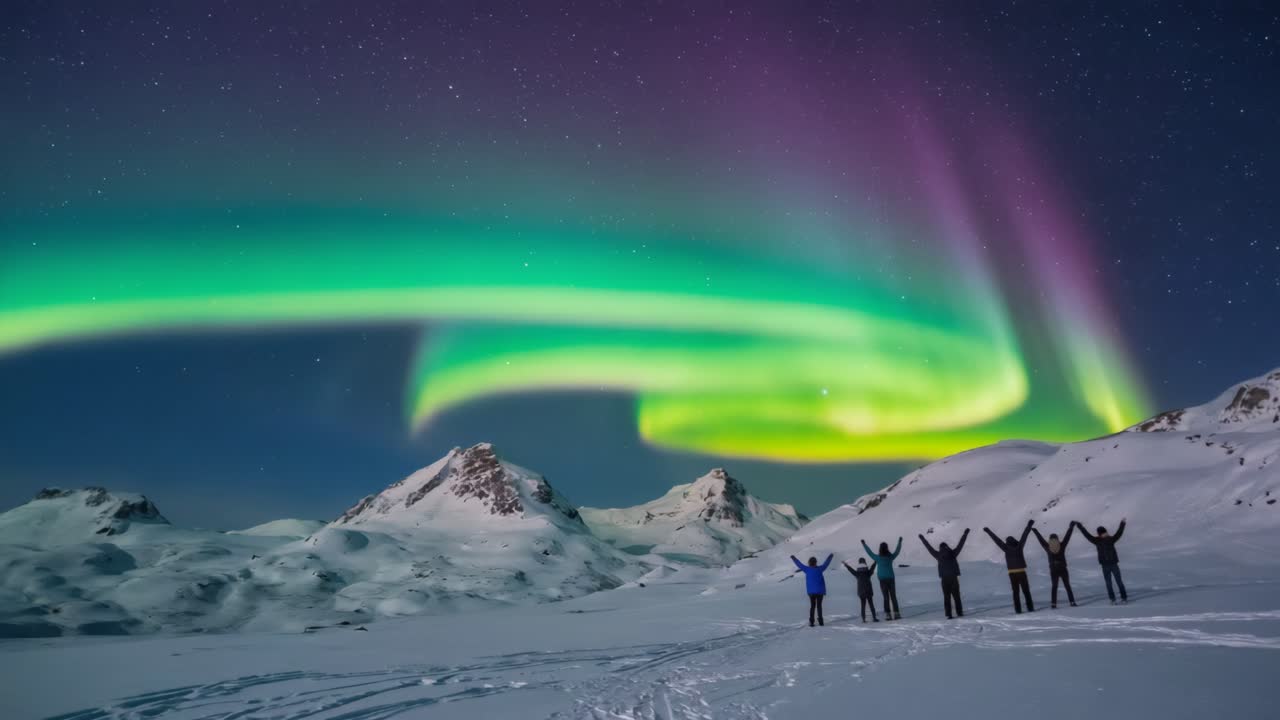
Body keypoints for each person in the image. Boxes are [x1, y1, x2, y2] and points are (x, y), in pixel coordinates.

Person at [983, 520, 1036, 613]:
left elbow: (997, 540)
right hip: (1021, 572)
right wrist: (1029, 525)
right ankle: (1030, 608)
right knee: (1026, 591)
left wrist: (988, 531)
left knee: (1016, 593)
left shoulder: (1006, 548)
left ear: (1007, 542)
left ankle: (1018, 610)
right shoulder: (1019, 546)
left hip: (1012, 573)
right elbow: (1024, 535)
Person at [1073, 518, 1129, 604]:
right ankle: (1115, 599)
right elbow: (1087, 535)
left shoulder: (1107, 539)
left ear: (1099, 533)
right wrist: (1080, 527)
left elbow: (1119, 533)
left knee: (1116, 582)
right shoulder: (1102, 540)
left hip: (1111, 564)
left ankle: (1121, 598)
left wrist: (1122, 524)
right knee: (1111, 583)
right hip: (1107, 565)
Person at [918, 528, 970, 619]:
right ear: (947, 546)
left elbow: (928, 547)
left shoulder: (938, 555)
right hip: (953, 577)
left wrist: (922, 539)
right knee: (956, 596)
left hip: (944, 579)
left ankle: (948, 614)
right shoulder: (953, 553)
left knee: (947, 597)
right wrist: (965, 534)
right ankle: (959, 612)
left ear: (940, 548)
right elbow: (961, 544)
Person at [1031, 524, 1077, 608]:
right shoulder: (1061, 545)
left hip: (1053, 569)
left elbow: (1040, 540)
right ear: (1057, 538)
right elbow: (1067, 537)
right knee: (1067, 586)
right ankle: (1072, 602)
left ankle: (1053, 603)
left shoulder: (1047, 547)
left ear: (1049, 539)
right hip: (1063, 568)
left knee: (1054, 587)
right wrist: (1071, 527)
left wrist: (1035, 531)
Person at [861, 537, 903, 620]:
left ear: (880, 549)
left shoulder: (878, 558)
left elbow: (869, 552)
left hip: (882, 579)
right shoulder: (890, 557)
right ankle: (897, 613)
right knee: (893, 596)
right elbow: (897, 551)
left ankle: (888, 614)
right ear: (887, 548)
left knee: (886, 597)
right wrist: (899, 542)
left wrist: (864, 544)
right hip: (891, 578)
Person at [790, 553, 834, 626]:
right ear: (816, 562)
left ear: (809, 562)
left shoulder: (807, 569)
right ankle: (821, 621)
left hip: (811, 592)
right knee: (819, 606)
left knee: (812, 606)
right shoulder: (820, 569)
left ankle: (812, 621)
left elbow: (799, 564)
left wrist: (793, 558)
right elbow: (826, 563)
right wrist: (830, 556)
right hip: (820, 591)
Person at [842, 557, 879, 622]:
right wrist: (875, 562)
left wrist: (846, 565)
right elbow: (873, 568)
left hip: (861, 592)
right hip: (868, 591)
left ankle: (864, 619)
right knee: (871, 604)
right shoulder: (868, 572)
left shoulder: (857, 573)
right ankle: (874, 618)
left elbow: (851, 570)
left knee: (863, 605)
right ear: (865, 563)